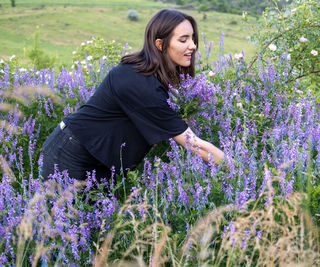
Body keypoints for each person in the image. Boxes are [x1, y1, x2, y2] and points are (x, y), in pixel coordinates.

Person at [41, 9, 225, 181]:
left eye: (193, 39)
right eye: (183, 40)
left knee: (94, 214)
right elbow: (193, 144)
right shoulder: (141, 83)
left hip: (95, 157)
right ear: (160, 44)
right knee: (66, 215)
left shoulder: (148, 74)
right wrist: (237, 168)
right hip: (71, 153)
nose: (193, 46)